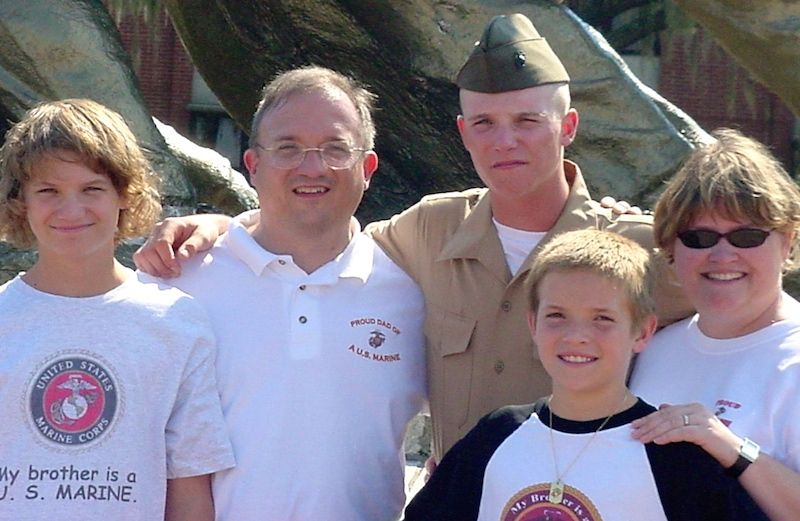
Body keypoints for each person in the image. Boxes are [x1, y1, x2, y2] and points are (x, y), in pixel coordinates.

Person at [134, 13, 691, 460]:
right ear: (463, 133)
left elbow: (741, 306)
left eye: (527, 122)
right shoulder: (428, 230)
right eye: (485, 124)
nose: (505, 142)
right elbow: (314, 231)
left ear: (567, 128)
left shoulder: (636, 250)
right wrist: (217, 228)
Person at [156, 67, 426, 520]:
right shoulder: (180, 281)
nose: (313, 166)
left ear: (368, 168)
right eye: (288, 148)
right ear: (253, 165)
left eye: (336, 148)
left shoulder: (411, 293)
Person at [403, 228, 767, 520]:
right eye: (557, 316)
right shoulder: (495, 435)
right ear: (533, 324)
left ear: (642, 332)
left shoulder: (674, 455)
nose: (576, 336)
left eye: (602, 319)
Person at [0, 99, 234, 521]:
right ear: (21, 202)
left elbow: (189, 481)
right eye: (48, 191)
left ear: (125, 194)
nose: (71, 210)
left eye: (92, 189)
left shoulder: (176, 321)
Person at [629, 128, 800, 521]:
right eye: (700, 237)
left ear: (787, 242)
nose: (723, 255)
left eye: (747, 236)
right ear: (671, 247)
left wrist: (730, 448)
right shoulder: (651, 348)